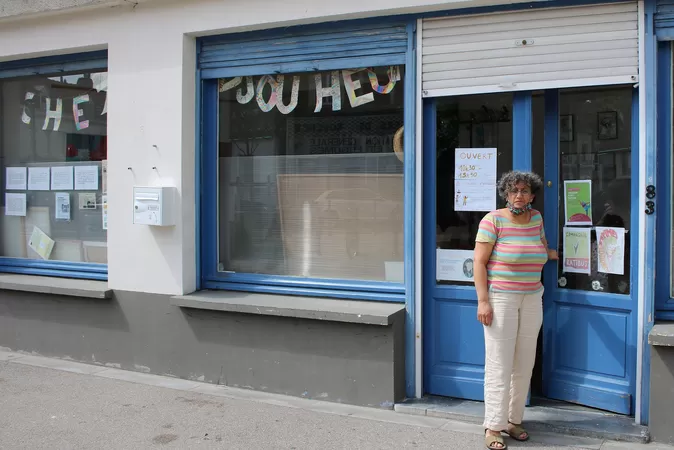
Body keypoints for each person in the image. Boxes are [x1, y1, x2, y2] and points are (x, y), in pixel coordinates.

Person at [474, 171, 558, 450]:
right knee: (499, 363)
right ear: (505, 194)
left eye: (524, 190)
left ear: (532, 195)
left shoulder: (536, 219)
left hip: (533, 297)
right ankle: (493, 426)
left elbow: (543, 250)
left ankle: (513, 419)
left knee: (524, 363)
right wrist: (483, 301)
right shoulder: (493, 220)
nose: (519, 195)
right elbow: (478, 263)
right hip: (502, 299)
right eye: (513, 190)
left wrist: (565, 253)